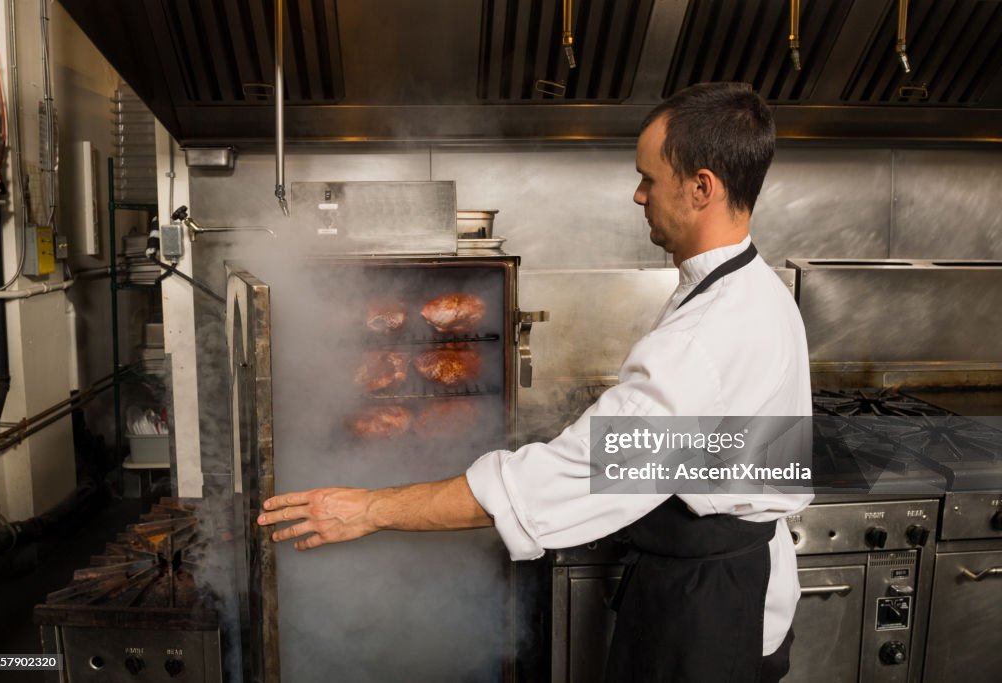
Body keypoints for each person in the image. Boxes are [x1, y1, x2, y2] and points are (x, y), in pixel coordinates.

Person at [257, 82, 813, 682]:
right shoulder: (758, 291)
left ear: (702, 186)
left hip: (706, 607)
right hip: (736, 580)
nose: (638, 194)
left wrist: (370, 507)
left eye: (649, 178)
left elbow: (566, 478)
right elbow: (748, 452)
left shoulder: (708, 333)